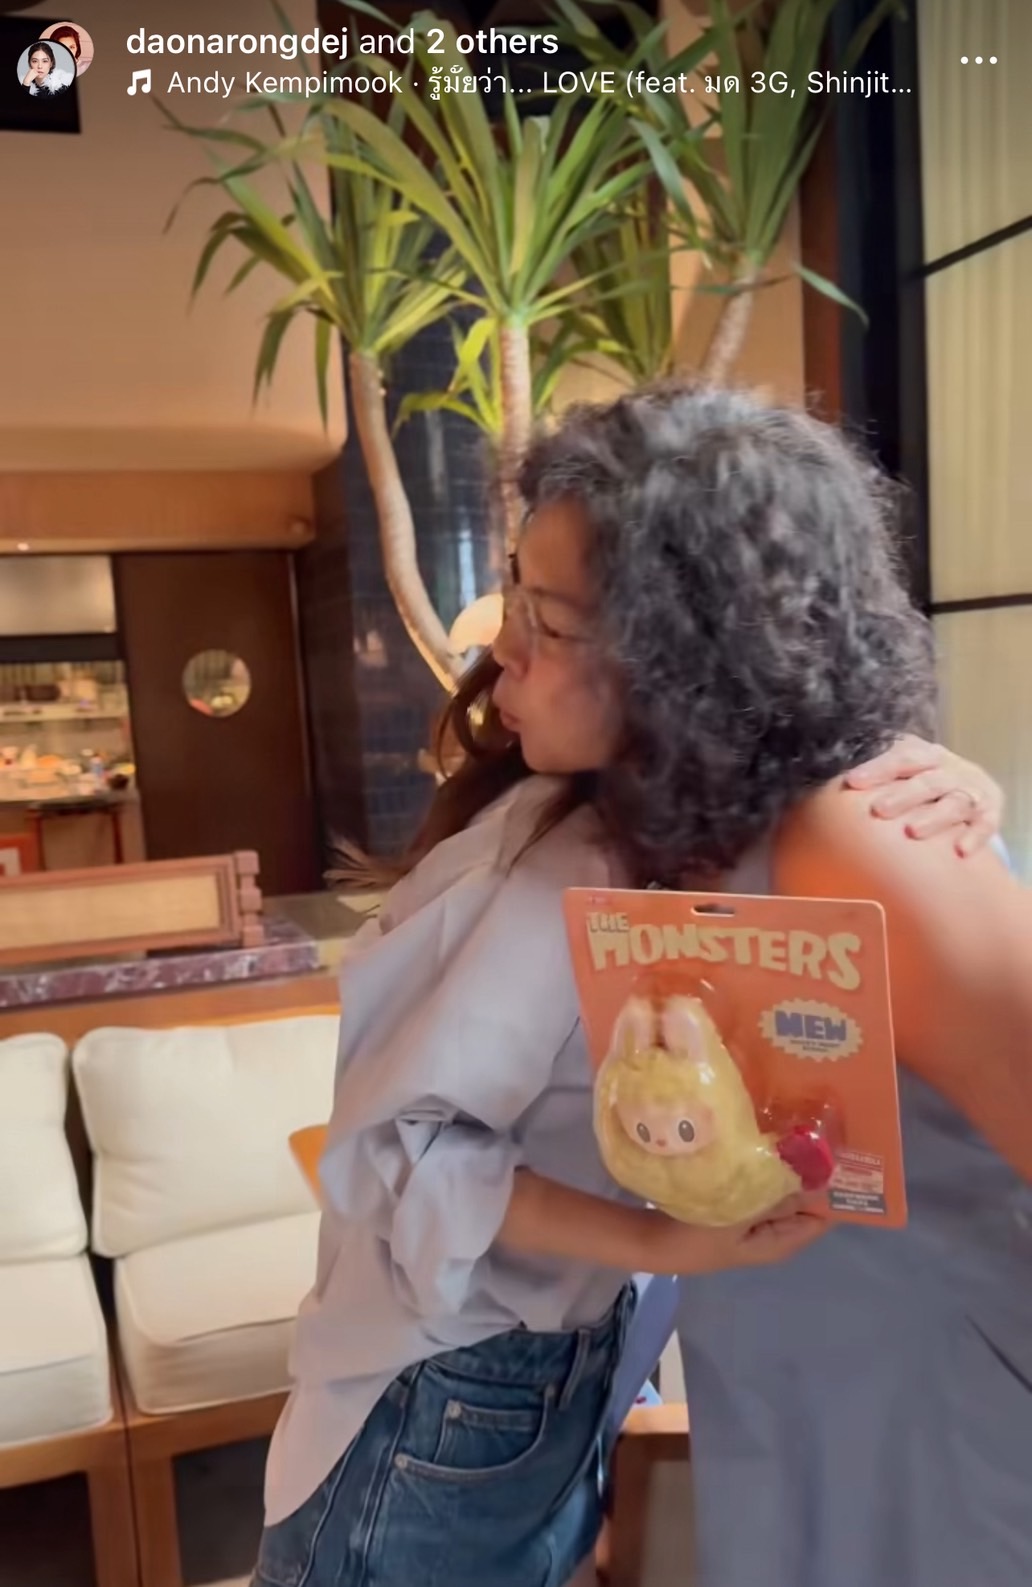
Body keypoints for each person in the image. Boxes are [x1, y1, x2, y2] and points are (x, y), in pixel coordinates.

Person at [252, 381, 1012, 1587]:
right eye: (515, 598)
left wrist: (952, 795)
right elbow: (406, 1150)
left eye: (548, 623)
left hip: (876, 1394)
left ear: (688, 655)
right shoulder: (586, 827)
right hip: (621, 1370)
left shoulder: (789, 832)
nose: (499, 647)